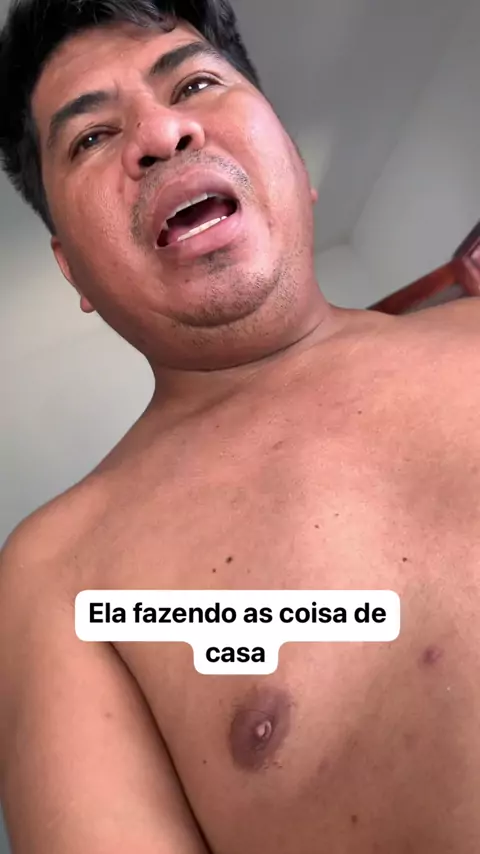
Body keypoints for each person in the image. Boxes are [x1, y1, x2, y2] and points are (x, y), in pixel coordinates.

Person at [0, 0, 479, 850]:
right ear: (73, 270)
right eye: (91, 137)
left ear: (293, 156)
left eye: (193, 83)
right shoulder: (58, 575)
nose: (162, 133)